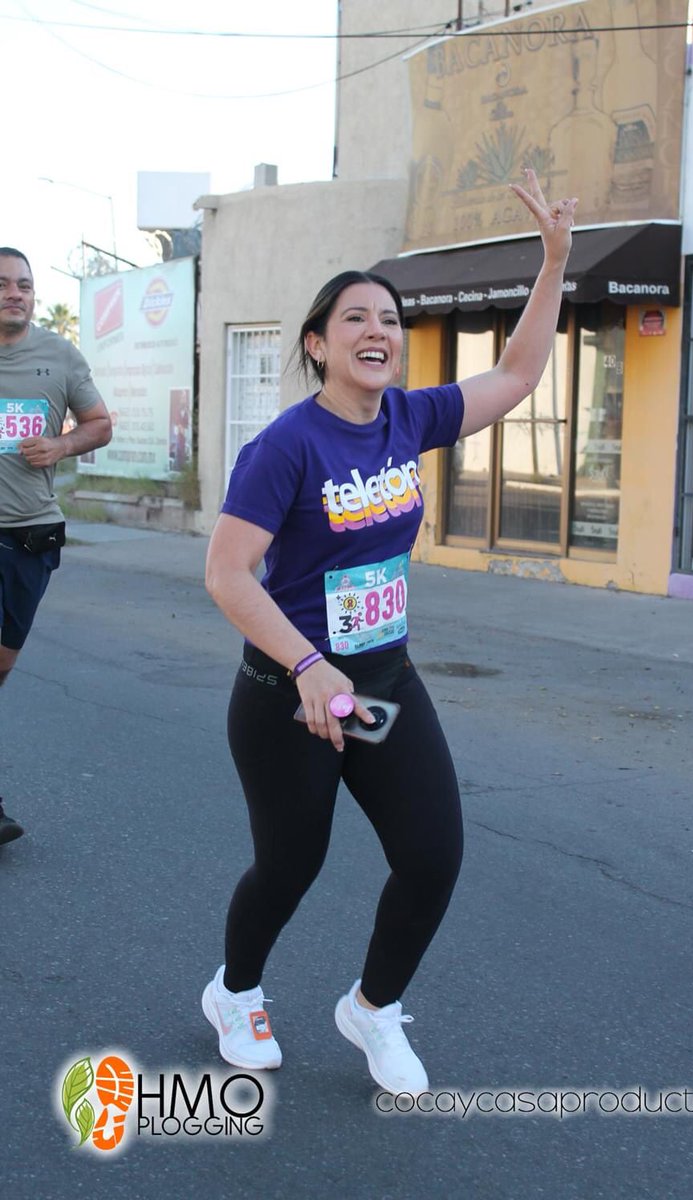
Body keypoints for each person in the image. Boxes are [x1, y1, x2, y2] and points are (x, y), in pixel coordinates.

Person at [202, 169, 577, 1093]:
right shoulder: (286, 445)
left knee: (432, 854)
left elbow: (521, 373)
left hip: (381, 686)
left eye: (391, 322)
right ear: (318, 344)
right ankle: (235, 991)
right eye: (357, 319)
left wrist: (556, 259)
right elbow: (224, 572)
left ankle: (371, 1010)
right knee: (290, 867)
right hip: (288, 695)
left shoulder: (410, 419)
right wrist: (308, 668)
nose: (379, 332)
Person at [0, 248, 112, 845]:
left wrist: (61, 447)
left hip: (29, 533)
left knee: (2, 664)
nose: (14, 293)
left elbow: (100, 423)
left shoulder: (59, 355)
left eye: (24, 285)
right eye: (3, 284)